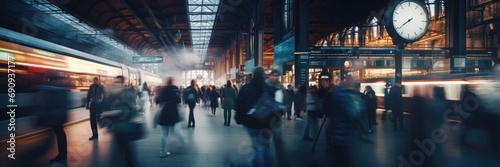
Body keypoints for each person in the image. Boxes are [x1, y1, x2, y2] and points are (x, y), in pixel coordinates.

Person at [235, 68, 285, 167]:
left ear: (253, 75)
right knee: (266, 146)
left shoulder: (245, 88)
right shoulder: (271, 88)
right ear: (264, 75)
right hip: (266, 123)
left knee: (257, 147)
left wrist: (239, 119)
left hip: (250, 123)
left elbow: (238, 105)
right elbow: (279, 108)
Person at [102, 76, 139, 167]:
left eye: (118, 82)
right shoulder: (112, 95)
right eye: (115, 82)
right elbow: (105, 108)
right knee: (119, 152)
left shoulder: (128, 94)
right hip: (116, 128)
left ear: (122, 84)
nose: (116, 84)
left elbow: (133, 111)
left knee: (126, 152)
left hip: (126, 128)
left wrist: (118, 112)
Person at [35, 72, 70, 163]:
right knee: (60, 133)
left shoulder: (53, 89)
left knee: (59, 134)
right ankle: (63, 153)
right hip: (59, 115)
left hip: (55, 116)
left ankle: (62, 154)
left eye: (52, 79)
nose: (50, 81)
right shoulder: (61, 89)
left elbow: (48, 103)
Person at [155, 77, 189, 158]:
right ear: (173, 82)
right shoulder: (175, 89)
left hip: (164, 111)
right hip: (173, 111)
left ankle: (163, 152)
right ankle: (184, 141)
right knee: (175, 130)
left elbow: (157, 101)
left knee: (164, 133)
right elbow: (178, 100)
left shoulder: (163, 90)